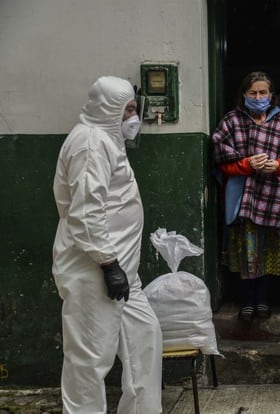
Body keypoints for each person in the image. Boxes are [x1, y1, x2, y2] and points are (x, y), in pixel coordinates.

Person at [52, 75, 163, 414]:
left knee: (145, 336)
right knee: (90, 358)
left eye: (134, 108)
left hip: (122, 271)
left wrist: (118, 267)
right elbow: (86, 212)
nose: (134, 117)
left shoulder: (107, 140)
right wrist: (108, 264)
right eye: (127, 110)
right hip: (96, 271)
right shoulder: (90, 144)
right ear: (108, 110)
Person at [212, 71, 280, 321]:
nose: (258, 97)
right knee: (248, 252)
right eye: (253, 93)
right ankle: (247, 300)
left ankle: (263, 300)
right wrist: (247, 164)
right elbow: (219, 162)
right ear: (244, 95)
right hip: (244, 200)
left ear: (272, 96)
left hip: (274, 198)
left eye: (263, 93)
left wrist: (278, 166)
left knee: (270, 249)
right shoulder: (232, 122)